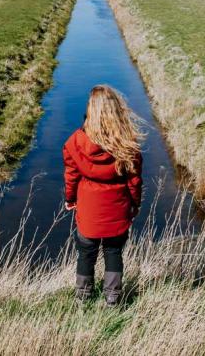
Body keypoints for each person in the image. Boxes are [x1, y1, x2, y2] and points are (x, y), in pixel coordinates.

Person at [62, 85, 144, 306]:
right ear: (117, 111)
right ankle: (113, 299)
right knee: (114, 252)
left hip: (88, 209)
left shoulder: (75, 142)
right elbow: (134, 181)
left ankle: (82, 297)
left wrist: (70, 199)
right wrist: (135, 204)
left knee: (86, 253)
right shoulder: (128, 145)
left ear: (91, 111)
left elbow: (71, 176)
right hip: (117, 208)